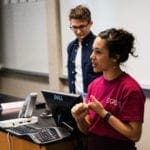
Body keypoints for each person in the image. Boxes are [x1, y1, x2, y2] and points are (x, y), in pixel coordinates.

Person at [71, 28, 145, 150]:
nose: (91, 56)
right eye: (92, 51)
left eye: (98, 52)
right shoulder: (93, 85)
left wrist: (103, 113)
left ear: (115, 57)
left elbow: (135, 135)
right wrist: (79, 119)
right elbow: (87, 129)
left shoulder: (131, 89)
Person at [67, 5, 101, 97]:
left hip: (95, 98)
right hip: (75, 97)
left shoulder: (99, 45)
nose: (78, 31)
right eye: (74, 27)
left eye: (82, 26)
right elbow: (71, 75)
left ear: (90, 23)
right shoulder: (71, 47)